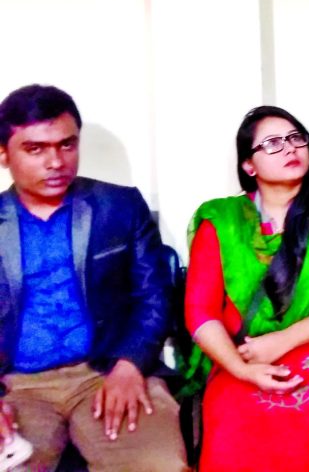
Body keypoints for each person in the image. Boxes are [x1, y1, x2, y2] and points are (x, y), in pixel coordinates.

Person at [183, 106, 309, 471]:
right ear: (249, 165)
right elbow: (200, 312)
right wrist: (241, 369)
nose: (290, 148)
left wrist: (282, 341)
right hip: (241, 357)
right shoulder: (221, 221)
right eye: (273, 143)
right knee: (235, 431)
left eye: (296, 138)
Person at [0, 84, 187, 471]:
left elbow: (155, 295)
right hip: (16, 385)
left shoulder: (119, 206)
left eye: (67, 145)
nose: (56, 161)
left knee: (160, 466)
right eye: (35, 149)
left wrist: (131, 364)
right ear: (4, 154)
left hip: (106, 371)